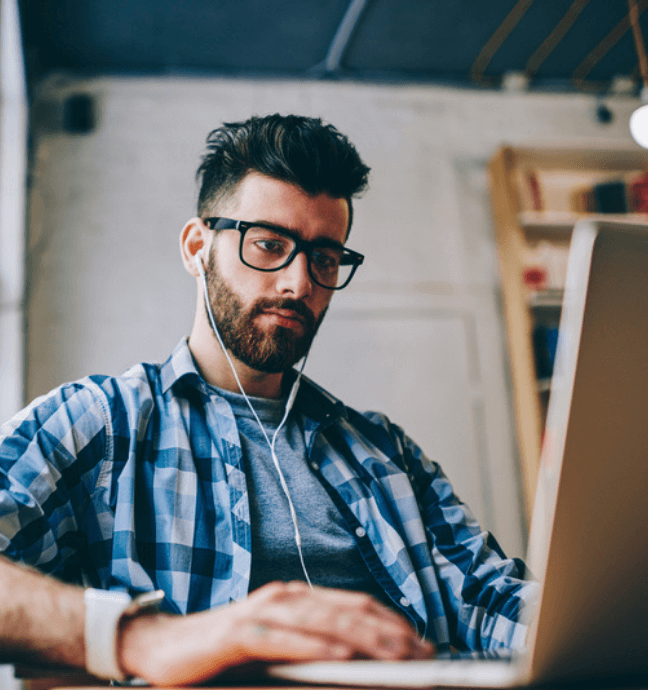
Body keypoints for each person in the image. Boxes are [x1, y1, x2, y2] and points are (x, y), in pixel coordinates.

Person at [0, 114, 536, 685]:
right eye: (268, 245)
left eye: (325, 258)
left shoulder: (388, 453)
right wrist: (142, 637)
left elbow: (490, 597)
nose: (298, 283)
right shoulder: (100, 422)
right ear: (196, 248)